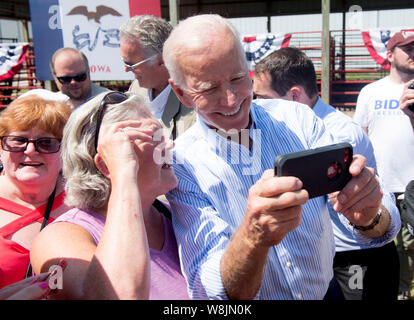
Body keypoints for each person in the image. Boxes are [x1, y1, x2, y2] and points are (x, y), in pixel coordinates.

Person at [162, 14, 399, 300]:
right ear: (182, 93)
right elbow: (210, 292)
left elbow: (380, 223)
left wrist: (369, 213)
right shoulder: (183, 164)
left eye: (238, 78)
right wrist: (253, 237)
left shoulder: (297, 119)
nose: (231, 99)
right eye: (209, 89)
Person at [253, 47, 401, 299]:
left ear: (294, 95)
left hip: (354, 259)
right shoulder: (297, 128)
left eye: (262, 97)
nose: (255, 105)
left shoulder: (336, 135)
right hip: (332, 258)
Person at [30, 92, 189, 299]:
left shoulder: (177, 216)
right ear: (105, 163)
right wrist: (123, 174)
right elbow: (119, 294)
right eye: (154, 138)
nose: (169, 145)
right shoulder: (59, 238)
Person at [354, 31, 414, 300]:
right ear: (389, 55)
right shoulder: (371, 92)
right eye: (408, 49)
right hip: (384, 188)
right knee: (390, 256)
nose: (413, 54)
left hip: (413, 186)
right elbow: (358, 137)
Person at [0, 95, 72, 289]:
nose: (30, 150)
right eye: (18, 140)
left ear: (65, 151)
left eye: (46, 142)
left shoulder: (87, 203)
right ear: (1, 149)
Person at [119, 15, 195, 140]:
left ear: (162, 60)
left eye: (132, 65)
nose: (126, 69)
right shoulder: (136, 89)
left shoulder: (195, 103)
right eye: (124, 62)